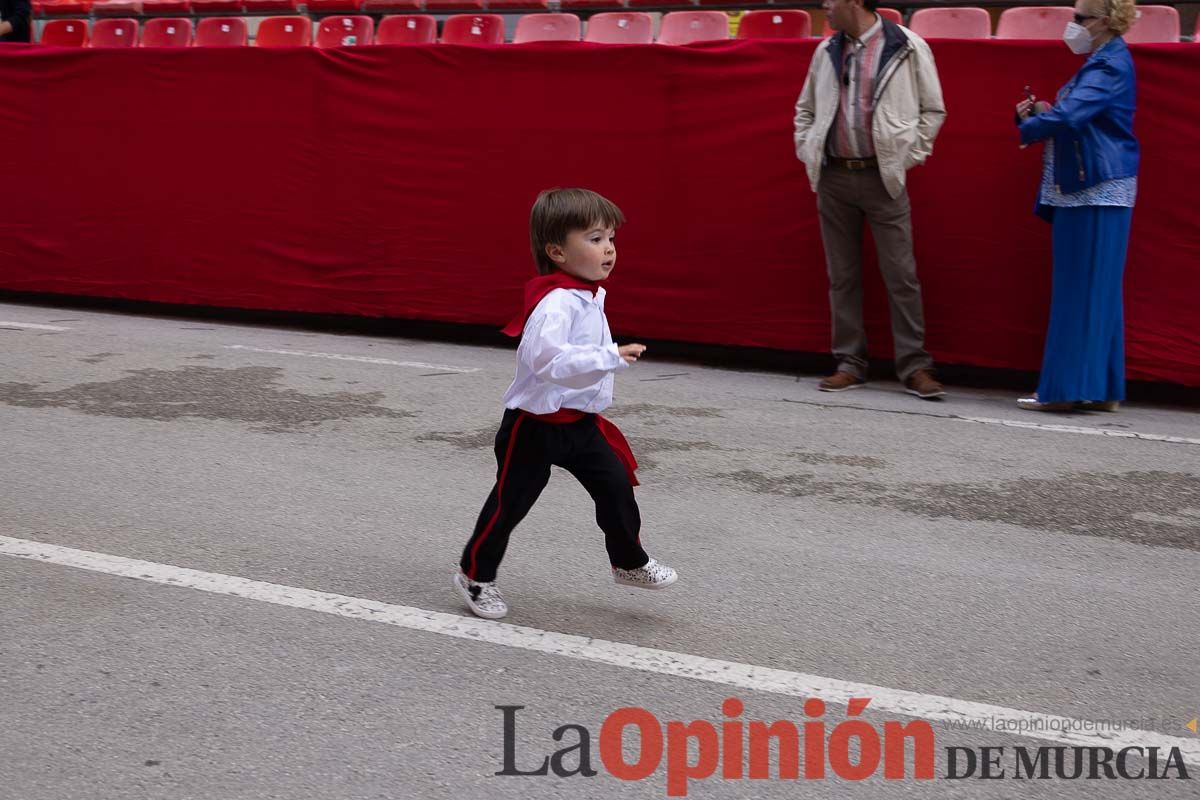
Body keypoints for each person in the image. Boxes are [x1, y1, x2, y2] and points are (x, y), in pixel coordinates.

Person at [454, 188, 678, 620]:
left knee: (614, 485)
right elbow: (550, 361)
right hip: (534, 427)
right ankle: (475, 576)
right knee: (510, 502)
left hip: (579, 424)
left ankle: (628, 562)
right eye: (594, 239)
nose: (609, 248)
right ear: (557, 250)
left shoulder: (587, 293)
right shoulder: (557, 302)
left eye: (611, 238)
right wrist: (609, 356)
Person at [794, 0, 947, 400]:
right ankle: (850, 362)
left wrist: (907, 155)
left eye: (831, 0)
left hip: (883, 177)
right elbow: (805, 109)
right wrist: (809, 147)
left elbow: (933, 110)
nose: (824, 6)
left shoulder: (907, 45)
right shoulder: (825, 49)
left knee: (902, 275)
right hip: (833, 175)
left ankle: (915, 366)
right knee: (842, 276)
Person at [1014, 0, 1139, 413]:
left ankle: (1063, 391)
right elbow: (1074, 115)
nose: (1072, 25)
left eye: (1080, 18)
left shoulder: (1107, 66)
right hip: (1096, 188)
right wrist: (1042, 114)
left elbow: (1071, 117)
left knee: (1076, 291)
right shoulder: (1105, 60)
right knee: (1098, 293)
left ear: (1105, 22)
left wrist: (1031, 126)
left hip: (1093, 190)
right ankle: (1103, 390)